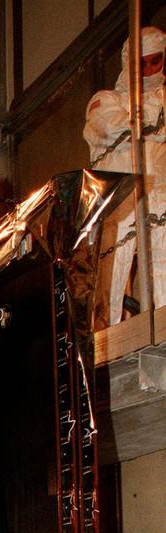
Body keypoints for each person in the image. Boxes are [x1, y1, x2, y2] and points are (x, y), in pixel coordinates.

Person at [83, 26, 166, 324]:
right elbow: (108, 127)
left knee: (162, 268)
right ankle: (106, 334)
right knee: (112, 268)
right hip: (121, 199)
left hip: (161, 196)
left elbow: (134, 128)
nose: (148, 69)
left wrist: (143, 127)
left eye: (155, 61)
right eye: (141, 63)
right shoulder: (106, 99)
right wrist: (152, 125)